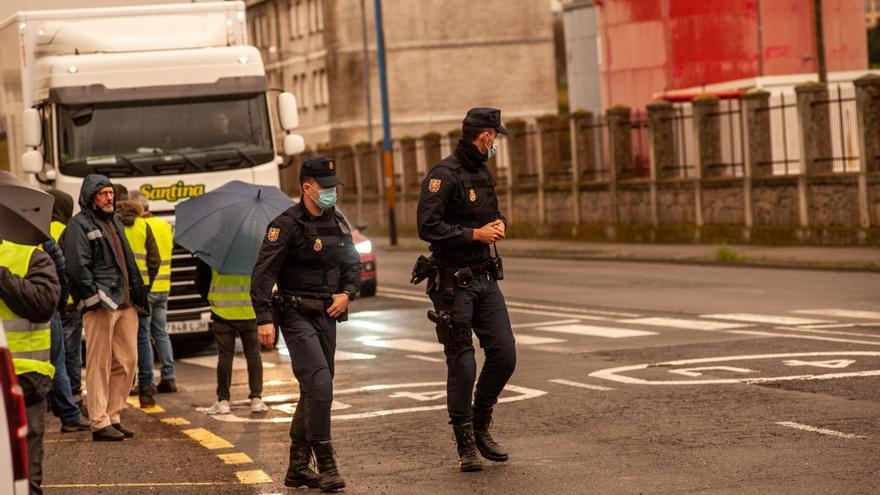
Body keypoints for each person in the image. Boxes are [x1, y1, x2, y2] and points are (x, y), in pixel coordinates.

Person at [251, 156, 361, 492]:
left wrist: (348, 293)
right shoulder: (285, 225)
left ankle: (298, 466)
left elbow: (351, 263)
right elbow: (262, 274)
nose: (331, 193)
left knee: (314, 389)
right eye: (325, 188)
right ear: (307, 188)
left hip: (328, 314)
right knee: (320, 384)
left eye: (334, 187)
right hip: (296, 314)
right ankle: (325, 463)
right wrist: (265, 319)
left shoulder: (336, 221)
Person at [415, 108, 516, 472]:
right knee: (463, 362)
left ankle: (480, 422)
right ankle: (465, 441)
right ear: (486, 136)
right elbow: (427, 226)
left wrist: (500, 224)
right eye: (495, 137)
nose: (496, 143)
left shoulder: (482, 172)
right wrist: (472, 235)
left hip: (485, 278)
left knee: (505, 354)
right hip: (452, 281)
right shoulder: (444, 175)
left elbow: (494, 213)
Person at [63, 174, 148, 441]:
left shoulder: (115, 221)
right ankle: (99, 422)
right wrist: (93, 299)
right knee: (99, 363)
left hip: (125, 301)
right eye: (103, 193)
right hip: (102, 303)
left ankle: (113, 414)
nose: (110, 197)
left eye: (111, 193)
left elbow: (127, 262)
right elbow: (77, 267)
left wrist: (136, 294)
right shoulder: (79, 225)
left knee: (127, 361)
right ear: (90, 197)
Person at [0, 237, 60, 495]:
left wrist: (2, 277)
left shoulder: (30, 255)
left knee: (25, 482)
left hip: (24, 379)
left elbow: (43, 305)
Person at [194, 259, 267, 415]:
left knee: (225, 357)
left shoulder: (213, 252)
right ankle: (256, 399)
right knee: (254, 356)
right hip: (250, 310)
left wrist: (212, 298)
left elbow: (200, 281)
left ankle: (223, 401)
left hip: (222, 311)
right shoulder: (253, 250)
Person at [42, 220, 89, 433]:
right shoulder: (42, 238)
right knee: (59, 361)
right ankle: (70, 414)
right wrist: (58, 302)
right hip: (47, 308)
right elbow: (64, 270)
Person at [116, 189, 161, 407]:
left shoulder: (112, 225)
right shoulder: (143, 225)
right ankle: (146, 391)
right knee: (143, 338)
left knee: (118, 342)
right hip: (140, 292)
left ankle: (121, 392)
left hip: (117, 293)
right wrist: (146, 285)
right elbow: (154, 260)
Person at [49, 189, 87, 416]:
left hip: (48, 303)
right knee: (72, 354)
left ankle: (52, 398)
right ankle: (74, 398)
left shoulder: (37, 230)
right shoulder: (70, 230)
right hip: (71, 302)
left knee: (52, 354)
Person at [135, 191, 177, 395]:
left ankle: (148, 379)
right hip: (164, 287)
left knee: (142, 335)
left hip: (147, 287)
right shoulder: (165, 226)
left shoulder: (140, 227)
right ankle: (169, 376)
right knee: (160, 333)